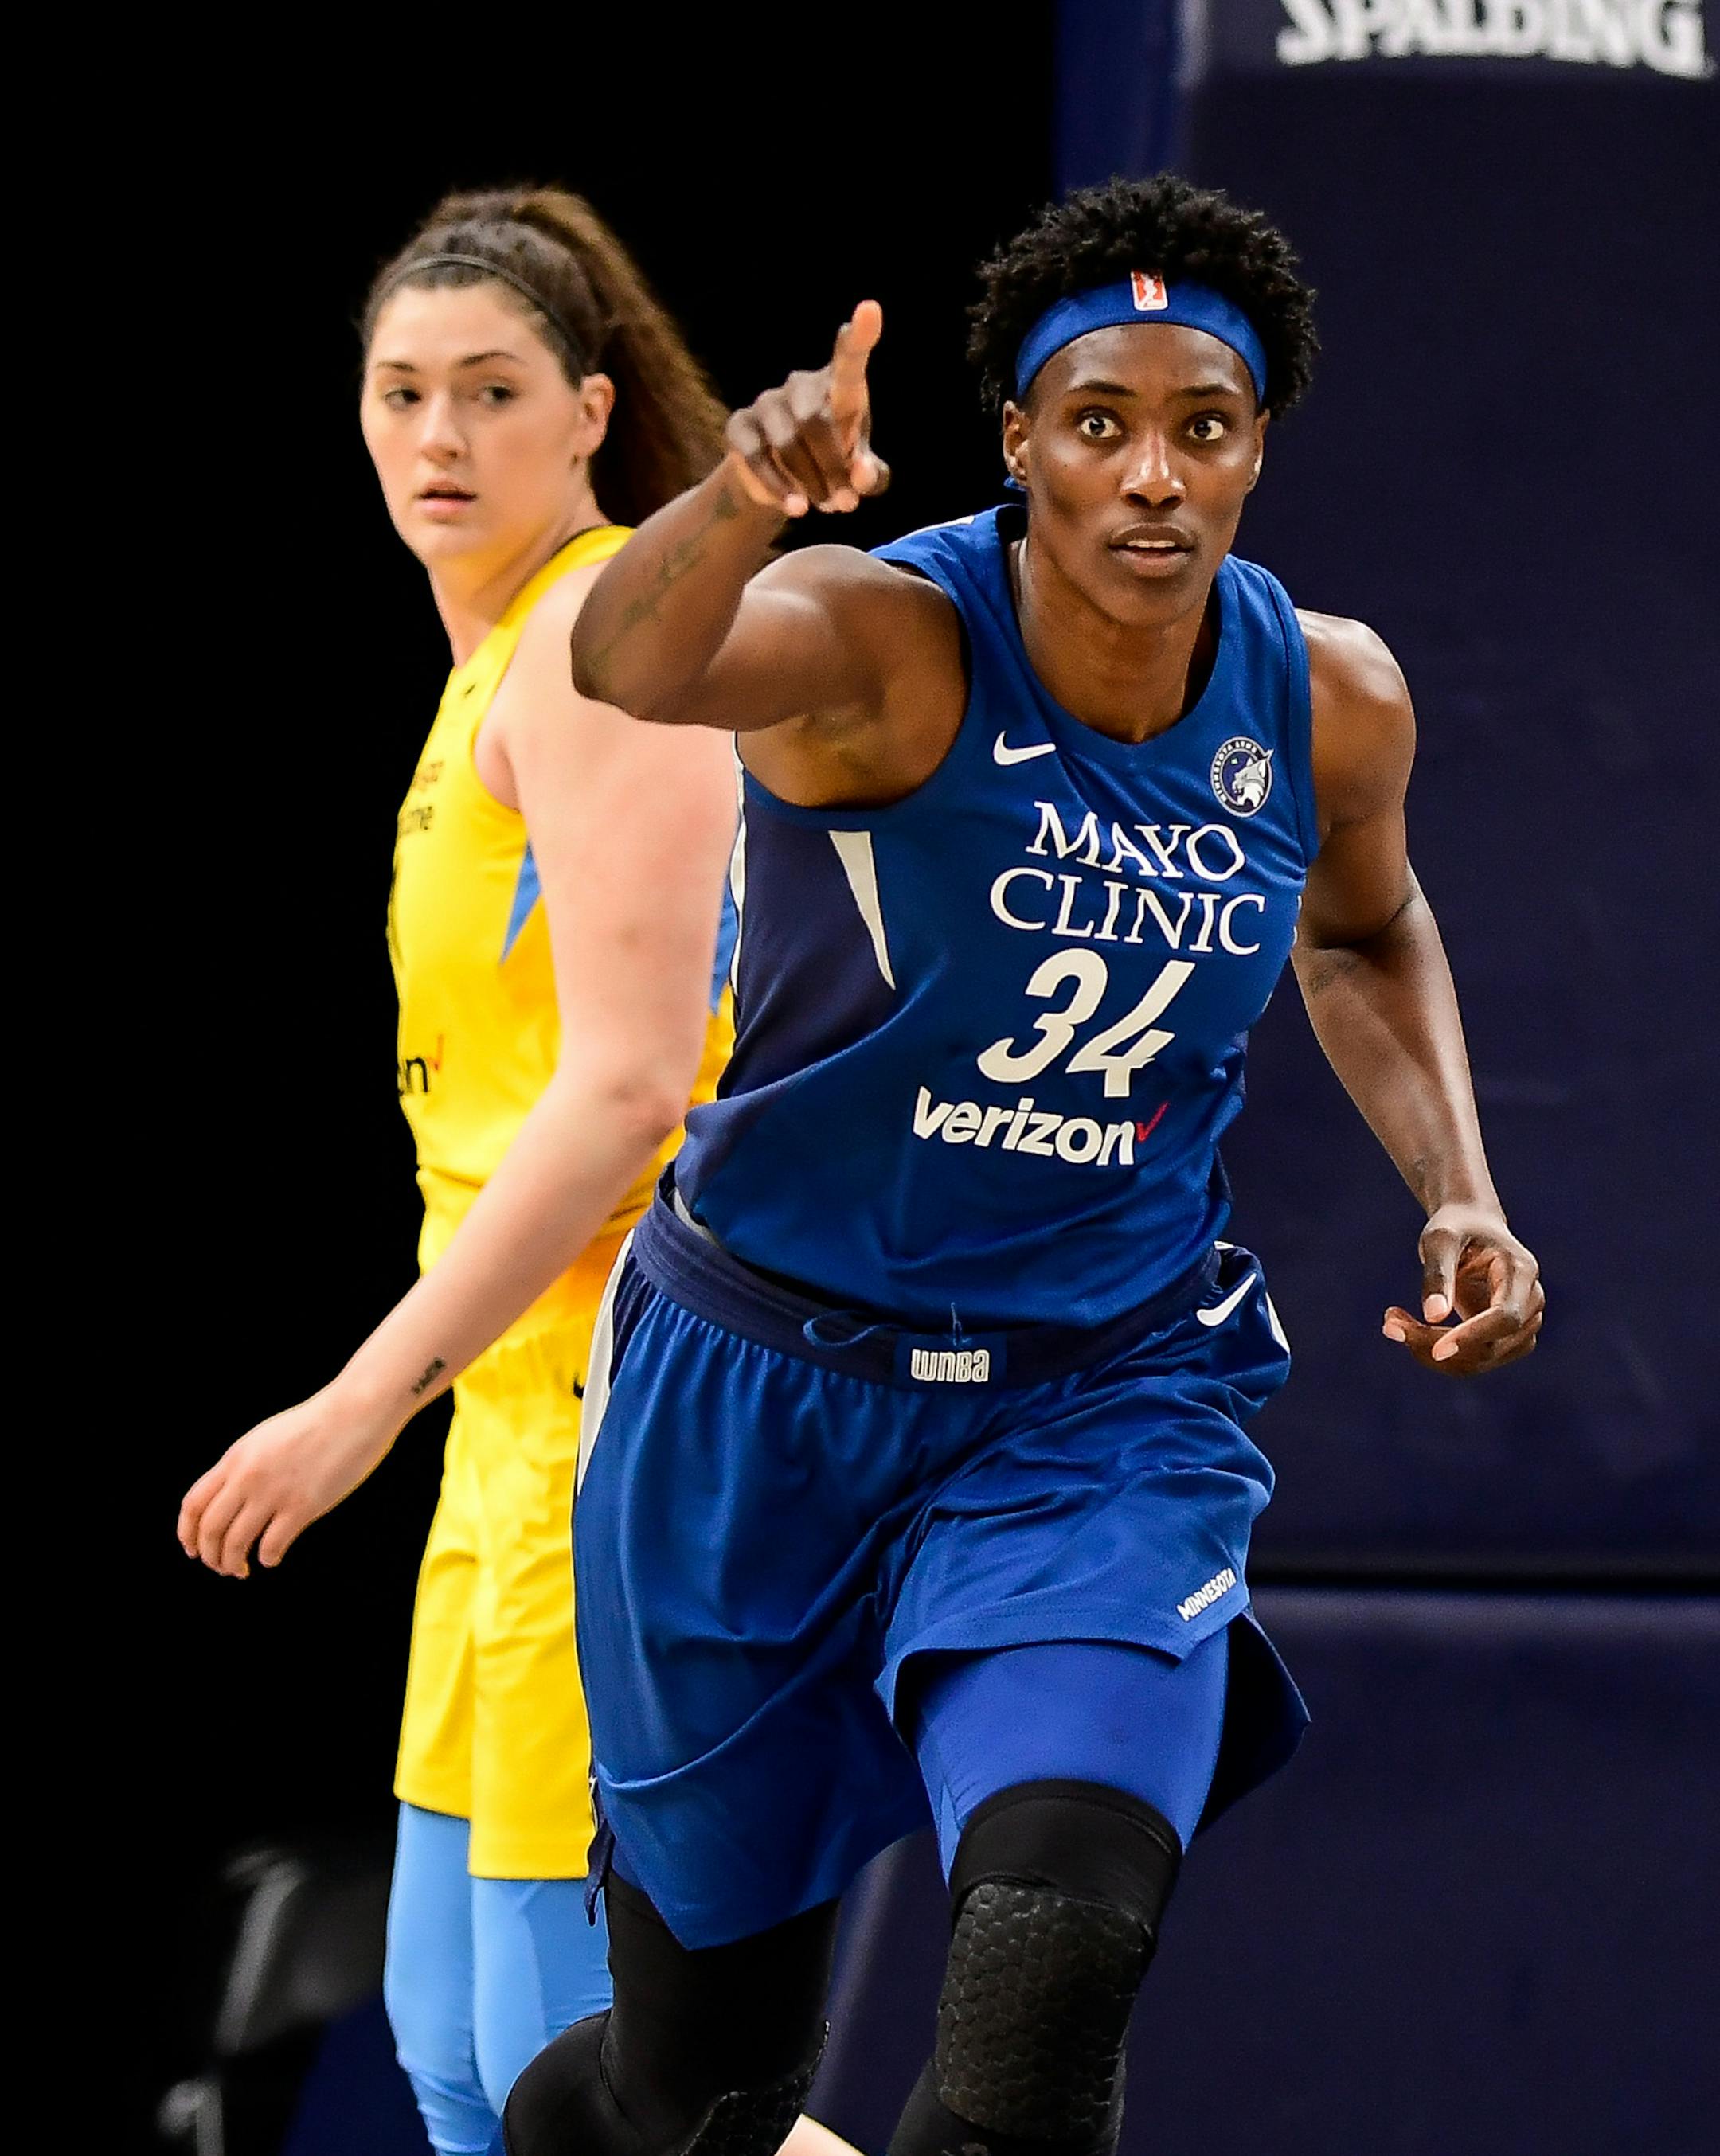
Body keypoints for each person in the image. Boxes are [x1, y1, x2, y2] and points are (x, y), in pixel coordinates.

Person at [502, 174, 1546, 2156]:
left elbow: (1361, 927)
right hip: (763, 1392)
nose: (1152, 474)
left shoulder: (1329, 696)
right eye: (1099, 425)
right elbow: (628, 665)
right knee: (695, 2088)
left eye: (1203, 427)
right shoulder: (884, 641)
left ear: (1257, 450)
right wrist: (742, 498)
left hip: (1095, 1397)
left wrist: (1460, 1186)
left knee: (1046, 1978)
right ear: (1019, 443)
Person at [176, 186, 738, 2156]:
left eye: (491, 391)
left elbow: (633, 1084)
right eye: (401, 390)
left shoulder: (596, 639)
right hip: (501, 1431)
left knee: (590, 2090)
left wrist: (353, 1403)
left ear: (588, 412)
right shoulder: (495, 655)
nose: (439, 435)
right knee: (456, 2059)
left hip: (616, 1422)